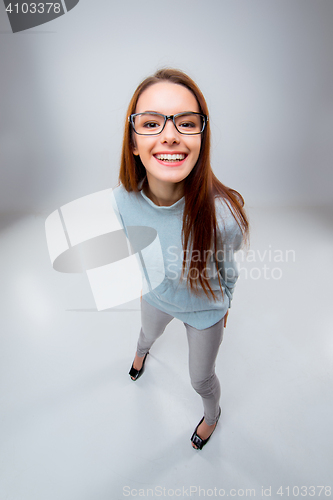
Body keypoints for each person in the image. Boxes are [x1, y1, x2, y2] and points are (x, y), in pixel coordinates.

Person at [111, 68, 249, 450]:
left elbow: (227, 269)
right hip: (156, 297)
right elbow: (137, 247)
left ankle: (212, 415)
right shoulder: (121, 199)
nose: (170, 134)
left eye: (186, 123)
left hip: (205, 311)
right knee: (146, 335)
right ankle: (141, 356)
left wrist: (226, 305)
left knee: (200, 380)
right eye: (152, 123)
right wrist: (146, 284)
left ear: (201, 140)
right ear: (134, 143)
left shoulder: (224, 215)